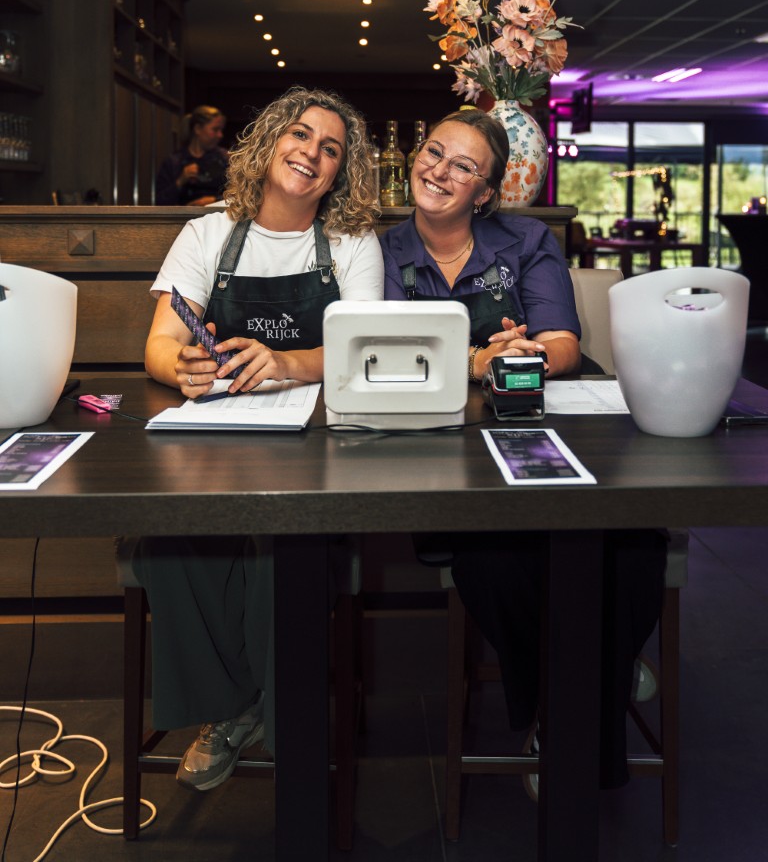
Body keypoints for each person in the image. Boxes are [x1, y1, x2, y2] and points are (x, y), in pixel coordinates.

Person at [379, 106, 666, 794]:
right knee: (495, 558)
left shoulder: (528, 239)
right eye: (434, 151)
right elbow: (385, 358)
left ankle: (567, 705)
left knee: (632, 545)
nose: (439, 171)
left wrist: (526, 353)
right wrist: (474, 359)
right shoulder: (379, 252)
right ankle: (588, 693)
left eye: (463, 166)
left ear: (485, 193)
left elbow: (563, 344)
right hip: (446, 455)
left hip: (544, 428)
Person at [134, 86, 384, 792]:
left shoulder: (352, 243)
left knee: (286, 542)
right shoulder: (208, 233)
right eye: (300, 135)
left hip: (317, 445)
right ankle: (232, 708)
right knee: (166, 543)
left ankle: (281, 710)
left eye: (330, 148)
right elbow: (160, 341)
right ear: (271, 141)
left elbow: (363, 347)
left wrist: (285, 363)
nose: (311, 153)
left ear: (339, 173)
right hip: (216, 438)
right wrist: (181, 366)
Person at [155, 105, 229, 206]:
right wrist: (180, 181)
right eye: (215, 130)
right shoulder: (174, 162)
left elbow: (240, 196)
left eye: (221, 130)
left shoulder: (225, 158)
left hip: (217, 214)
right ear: (197, 129)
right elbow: (160, 202)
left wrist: (214, 200)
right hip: (182, 216)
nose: (220, 135)